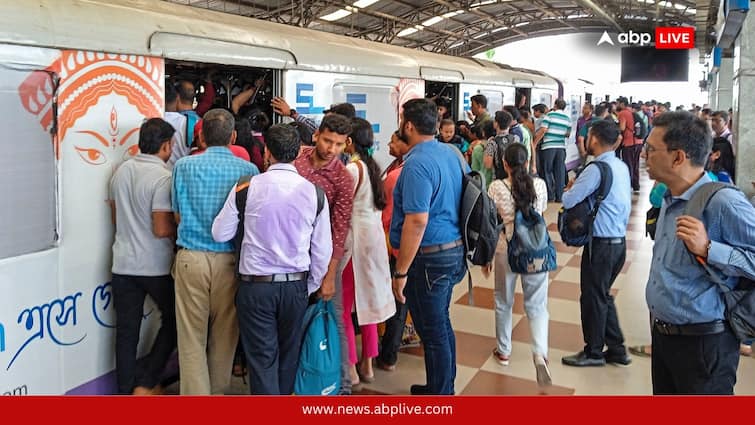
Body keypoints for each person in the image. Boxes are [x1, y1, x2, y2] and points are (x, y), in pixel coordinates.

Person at [211, 124, 332, 395]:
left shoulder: (245, 189)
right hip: (295, 287)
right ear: (299, 152)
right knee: (289, 356)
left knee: (261, 360)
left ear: (267, 152)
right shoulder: (315, 194)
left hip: (256, 287)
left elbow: (220, 233)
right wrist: (308, 286)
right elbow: (322, 251)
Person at [642, 111, 755, 394]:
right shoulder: (670, 197)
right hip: (665, 336)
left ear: (678, 157)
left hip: (705, 345)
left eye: (652, 149)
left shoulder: (724, 202)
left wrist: (708, 248)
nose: (645, 155)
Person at [171, 109, 259, 395]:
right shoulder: (250, 172)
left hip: (191, 258)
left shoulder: (183, 166)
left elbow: (177, 216)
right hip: (231, 262)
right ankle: (218, 393)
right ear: (233, 137)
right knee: (225, 335)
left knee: (191, 337)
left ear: (201, 136)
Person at [390, 98, 467, 395]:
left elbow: (417, 221)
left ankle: (441, 395)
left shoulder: (417, 164)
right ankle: (441, 385)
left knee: (433, 332)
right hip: (453, 250)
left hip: (429, 259)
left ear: (408, 125)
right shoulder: (452, 153)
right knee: (441, 324)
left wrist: (401, 271)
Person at [109, 118, 177, 395]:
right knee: (174, 321)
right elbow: (161, 228)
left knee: (126, 332)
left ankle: (125, 391)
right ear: (165, 145)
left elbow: (116, 217)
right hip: (155, 265)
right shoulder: (163, 177)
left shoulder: (120, 172)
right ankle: (147, 379)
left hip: (122, 263)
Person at [561, 119, 632, 368]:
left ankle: (593, 352)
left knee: (592, 297)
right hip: (618, 243)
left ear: (594, 138)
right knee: (602, 295)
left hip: (601, 245)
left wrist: (568, 189)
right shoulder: (621, 166)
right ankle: (617, 349)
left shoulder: (595, 169)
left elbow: (569, 201)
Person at [293, 114, 355, 393]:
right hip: (290, 254)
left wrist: (330, 275)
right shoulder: (296, 162)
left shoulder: (342, 178)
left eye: (339, 145)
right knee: (293, 318)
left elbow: (339, 230)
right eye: (328, 141)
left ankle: (340, 386)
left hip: (321, 258)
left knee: (333, 316)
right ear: (317, 135)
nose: (332, 149)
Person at [486, 143, 551, 386]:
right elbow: (540, 216)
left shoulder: (496, 187)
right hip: (536, 251)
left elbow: (492, 224)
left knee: (503, 301)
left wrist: (486, 258)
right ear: (527, 162)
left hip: (506, 250)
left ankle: (504, 351)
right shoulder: (541, 185)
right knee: (537, 305)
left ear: (505, 164)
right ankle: (539, 352)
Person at [341, 118, 395, 386]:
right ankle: (368, 364)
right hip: (374, 243)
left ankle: (351, 366)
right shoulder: (374, 167)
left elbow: (342, 208)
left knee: (345, 308)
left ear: (349, 141)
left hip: (355, 246)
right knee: (369, 306)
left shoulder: (352, 169)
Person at [377, 131, 411, 372]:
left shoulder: (395, 176)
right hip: (419, 246)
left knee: (396, 300)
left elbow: (386, 217)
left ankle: (388, 354)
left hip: (394, 245)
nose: (389, 144)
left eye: (393, 140)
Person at [533, 99, 571, 202]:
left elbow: (543, 130)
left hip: (549, 147)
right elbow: (568, 134)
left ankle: (550, 196)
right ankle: (559, 197)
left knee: (547, 171)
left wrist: (535, 143)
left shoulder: (549, 116)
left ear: (555, 105)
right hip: (561, 147)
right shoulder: (568, 118)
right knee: (559, 172)